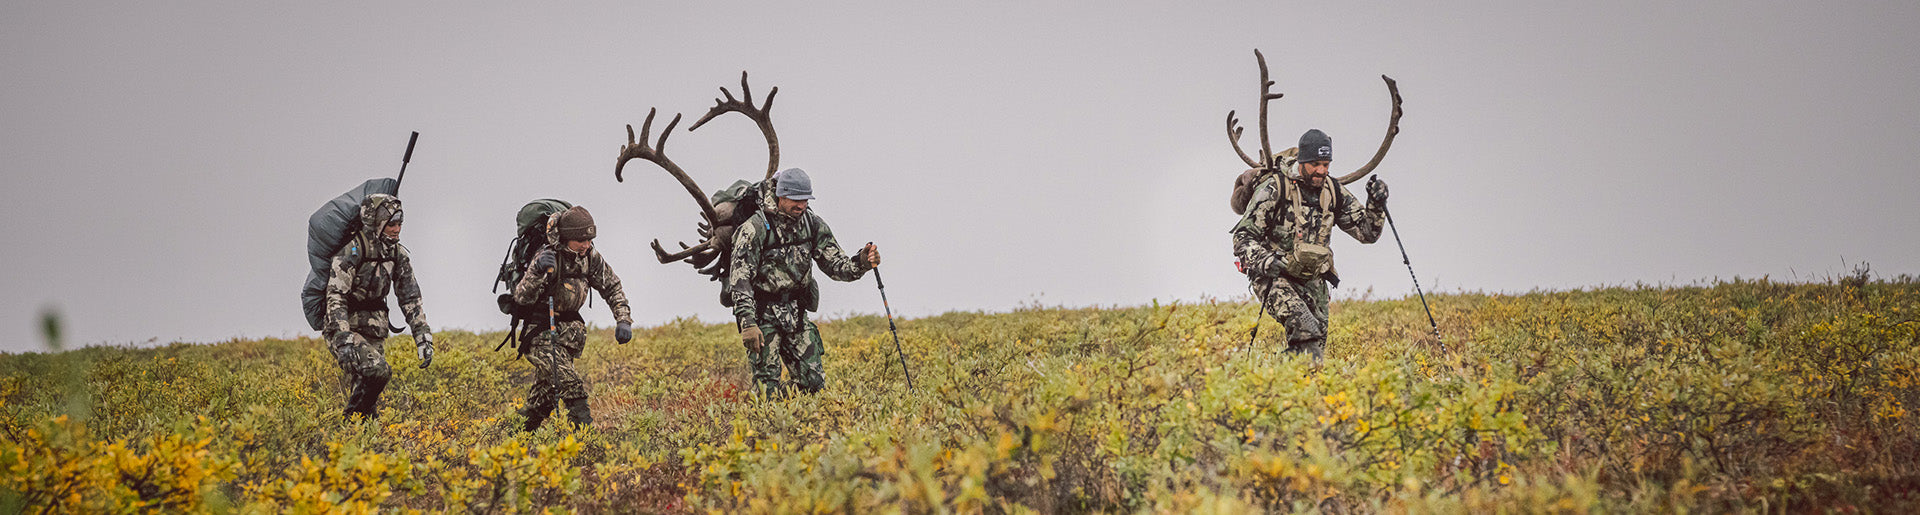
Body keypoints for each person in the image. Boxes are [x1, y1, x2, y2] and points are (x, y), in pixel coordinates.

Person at [1231, 129, 1389, 363]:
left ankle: (1283, 385)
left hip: (1314, 280)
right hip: (1274, 276)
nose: (1321, 171)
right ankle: (1272, 381)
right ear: (1303, 161)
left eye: (1326, 164)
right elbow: (1243, 236)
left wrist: (1376, 203)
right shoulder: (1275, 189)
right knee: (1305, 329)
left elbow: (1368, 232)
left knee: (1315, 353)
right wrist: (1266, 261)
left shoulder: (1333, 191)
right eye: (1315, 164)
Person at [728, 168, 880, 397]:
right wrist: (748, 323)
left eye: (805, 200)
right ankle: (766, 424)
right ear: (781, 196)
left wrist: (862, 262)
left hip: (796, 314)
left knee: (814, 386)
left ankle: (792, 420)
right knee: (765, 390)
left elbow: (836, 265)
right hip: (762, 315)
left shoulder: (812, 223)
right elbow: (740, 281)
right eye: (796, 200)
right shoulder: (754, 229)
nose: (802, 206)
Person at [511, 205, 633, 431]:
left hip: (568, 338)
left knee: (541, 401)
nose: (586, 245)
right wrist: (537, 271)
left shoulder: (590, 257)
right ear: (567, 237)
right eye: (581, 241)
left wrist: (623, 319)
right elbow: (521, 298)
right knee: (572, 386)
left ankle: (509, 439)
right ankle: (586, 443)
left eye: (589, 240)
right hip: (540, 336)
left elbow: (612, 287)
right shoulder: (546, 255)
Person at [322, 193, 433, 419]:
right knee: (378, 371)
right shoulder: (352, 251)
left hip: (375, 330)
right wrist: (343, 339)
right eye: (391, 223)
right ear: (377, 223)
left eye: (399, 223)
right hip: (345, 329)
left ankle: (358, 439)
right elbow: (335, 296)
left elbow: (410, 296)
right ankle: (349, 421)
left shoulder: (396, 253)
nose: (397, 229)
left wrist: (422, 336)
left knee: (368, 393)